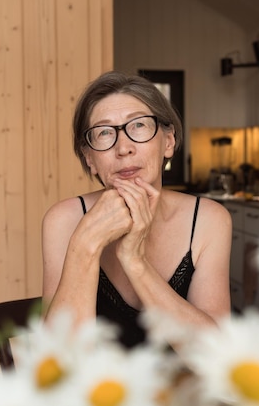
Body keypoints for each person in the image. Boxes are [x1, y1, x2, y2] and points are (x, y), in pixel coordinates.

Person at [41, 71, 232, 348]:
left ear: (168, 142)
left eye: (139, 126)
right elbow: (58, 361)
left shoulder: (208, 220)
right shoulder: (64, 220)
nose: (124, 148)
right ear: (90, 158)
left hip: (182, 390)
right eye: (105, 133)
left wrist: (134, 260)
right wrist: (86, 242)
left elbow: (216, 355)